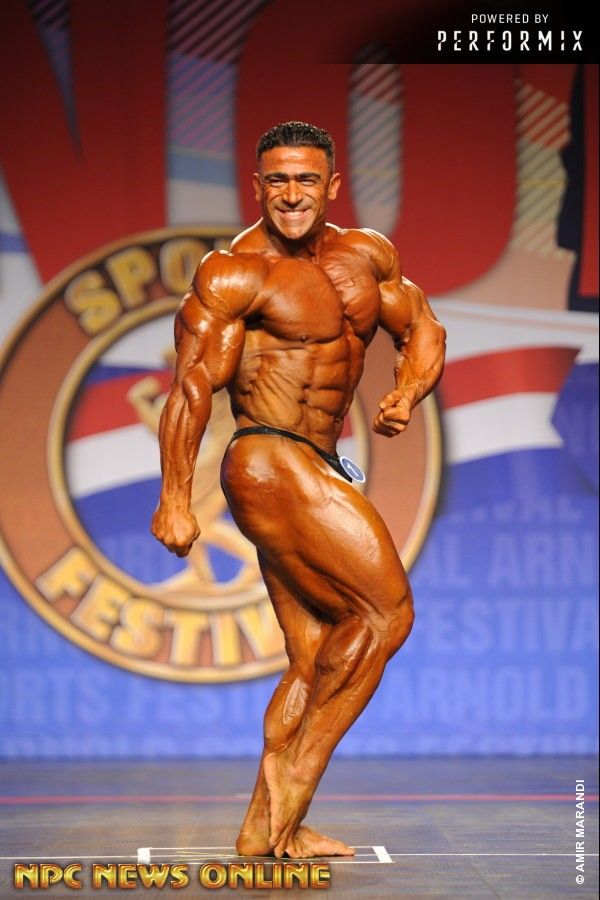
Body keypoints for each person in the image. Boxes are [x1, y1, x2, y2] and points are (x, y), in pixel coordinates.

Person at [151, 121, 446, 859]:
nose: (291, 194)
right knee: (387, 614)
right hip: (266, 457)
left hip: (318, 459)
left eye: (305, 179)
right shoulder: (234, 272)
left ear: (331, 186)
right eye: (277, 180)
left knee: (312, 657)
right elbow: (192, 385)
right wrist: (175, 496)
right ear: (257, 187)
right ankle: (295, 773)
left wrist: (407, 392)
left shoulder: (366, 256)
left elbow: (424, 327)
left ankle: (267, 827)